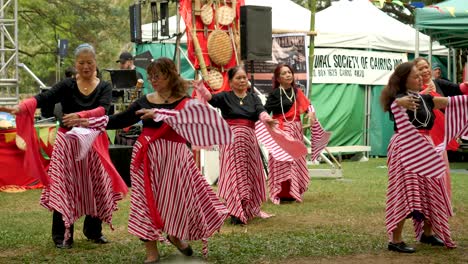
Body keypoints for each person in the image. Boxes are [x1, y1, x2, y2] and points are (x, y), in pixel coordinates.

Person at [74, 58, 230, 263]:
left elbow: (188, 120)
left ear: (171, 75)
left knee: (177, 200)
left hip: (175, 157)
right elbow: (121, 119)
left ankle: (175, 234)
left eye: (158, 76)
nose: (153, 80)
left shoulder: (184, 101)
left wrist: (158, 113)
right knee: (145, 201)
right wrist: (90, 121)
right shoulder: (145, 100)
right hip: (146, 155)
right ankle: (151, 250)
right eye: (151, 77)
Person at [0, 43, 127, 249]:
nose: (85, 66)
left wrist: (80, 116)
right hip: (67, 143)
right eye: (81, 63)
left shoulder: (104, 86)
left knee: (96, 184)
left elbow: (103, 109)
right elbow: (44, 97)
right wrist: (20, 107)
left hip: (93, 142)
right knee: (63, 186)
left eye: (89, 62)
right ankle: (61, 236)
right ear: (76, 65)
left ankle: (93, 230)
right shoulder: (68, 85)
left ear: (96, 63)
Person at [380, 61, 456, 253]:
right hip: (406, 148)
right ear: (404, 80)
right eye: (415, 76)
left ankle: (427, 234)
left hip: (426, 146)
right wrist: (398, 102)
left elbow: (448, 102)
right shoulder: (400, 98)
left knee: (432, 189)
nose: (420, 78)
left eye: (421, 75)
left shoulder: (424, 98)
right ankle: (395, 240)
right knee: (405, 192)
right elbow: (392, 106)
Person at [194, 66, 276, 225]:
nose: (242, 80)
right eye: (238, 78)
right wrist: (201, 87)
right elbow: (210, 98)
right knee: (233, 175)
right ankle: (235, 211)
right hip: (230, 143)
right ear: (230, 82)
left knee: (248, 174)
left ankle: (247, 207)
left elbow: (261, 111)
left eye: (244, 77)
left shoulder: (253, 98)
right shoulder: (225, 96)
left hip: (249, 143)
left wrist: (267, 119)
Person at [263, 64, 316, 204]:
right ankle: (280, 192)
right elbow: (264, 112)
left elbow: (309, 105)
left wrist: (311, 113)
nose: (288, 75)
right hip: (280, 131)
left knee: (295, 162)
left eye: (289, 72)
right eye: (284, 73)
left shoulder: (297, 92)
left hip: (296, 131)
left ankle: (293, 192)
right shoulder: (275, 94)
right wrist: (268, 121)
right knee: (282, 162)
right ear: (278, 78)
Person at [414, 57, 460, 200]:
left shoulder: (439, 83)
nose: (425, 71)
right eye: (420, 69)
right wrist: (423, 93)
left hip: (440, 136)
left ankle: (443, 202)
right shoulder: (412, 88)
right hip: (422, 137)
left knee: (442, 169)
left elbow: (459, 89)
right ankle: (424, 203)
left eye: (426, 67)